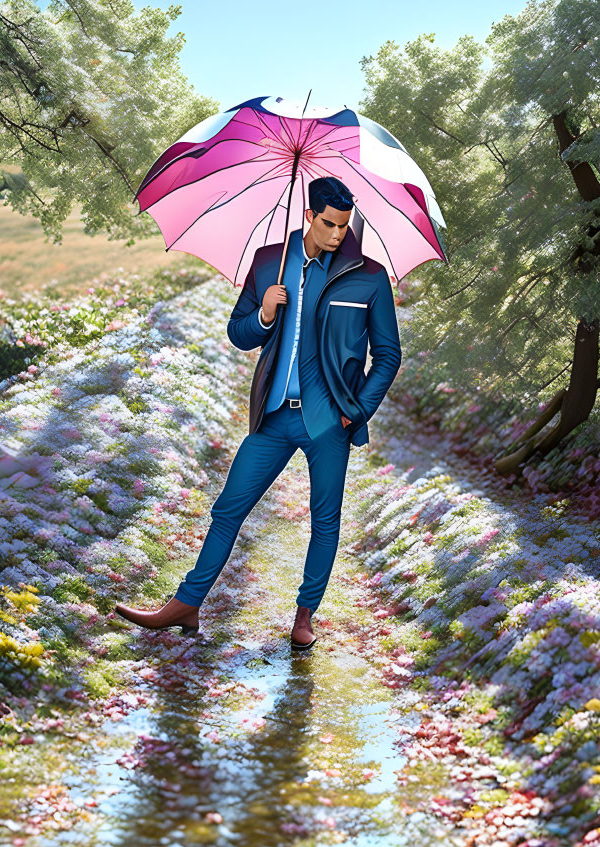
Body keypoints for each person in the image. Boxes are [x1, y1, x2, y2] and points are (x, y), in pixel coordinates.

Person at [115, 175, 403, 649]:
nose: (337, 235)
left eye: (344, 225)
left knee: (324, 521)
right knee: (229, 508)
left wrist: (355, 412)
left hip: (329, 421)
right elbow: (239, 332)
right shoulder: (271, 261)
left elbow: (388, 355)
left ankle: (304, 617)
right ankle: (187, 604)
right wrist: (265, 313)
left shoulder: (367, 276)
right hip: (273, 417)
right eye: (329, 224)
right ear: (309, 215)